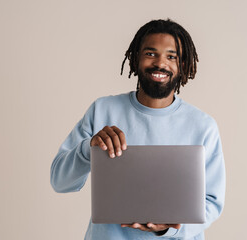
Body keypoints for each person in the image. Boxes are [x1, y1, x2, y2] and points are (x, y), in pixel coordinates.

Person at [50, 19, 225, 239]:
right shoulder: (102, 110)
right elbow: (59, 181)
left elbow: (212, 202)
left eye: (172, 56)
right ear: (135, 58)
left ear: (183, 65)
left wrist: (169, 227)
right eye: (151, 53)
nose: (160, 63)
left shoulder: (203, 126)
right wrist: (88, 149)